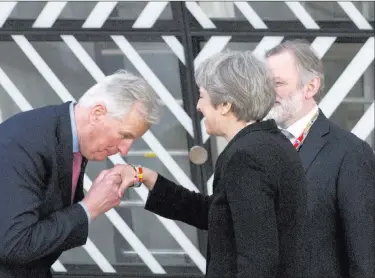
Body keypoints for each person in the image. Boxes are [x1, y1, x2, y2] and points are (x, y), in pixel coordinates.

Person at [113, 51, 309, 277]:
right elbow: (220, 215)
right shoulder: (270, 144)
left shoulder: (246, 157)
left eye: (203, 96)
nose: (198, 105)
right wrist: (145, 177)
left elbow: (258, 256)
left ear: (225, 104)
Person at [0, 70, 160, 278]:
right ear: (97, 114)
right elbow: (17, 245)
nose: (125, 150)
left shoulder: (69, 138)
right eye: (124, 136)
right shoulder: (23, 144)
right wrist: (89, 207)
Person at [264, 39, 375, 277]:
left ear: (310, 87)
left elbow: (365, 257)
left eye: (278, 83)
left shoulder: (350, 153)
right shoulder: (257, 146)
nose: (268, 93)